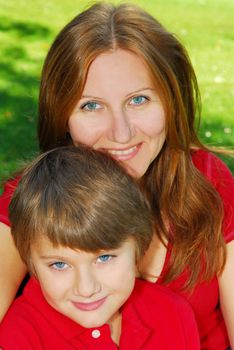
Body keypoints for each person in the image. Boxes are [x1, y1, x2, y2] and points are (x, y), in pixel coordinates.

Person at [0, 2, 233, 349]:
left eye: (139, 100)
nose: (121, 134)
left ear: (171, 100)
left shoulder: (208, 182)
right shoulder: (32, 200)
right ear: (61, 113)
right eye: (91, 105)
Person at [0, 146, 200, 349]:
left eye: (104, 258)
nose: (86, 289)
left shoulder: (173, 314)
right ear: (30, 262)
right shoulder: (19, 337)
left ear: (139, 247)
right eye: (60, 264)